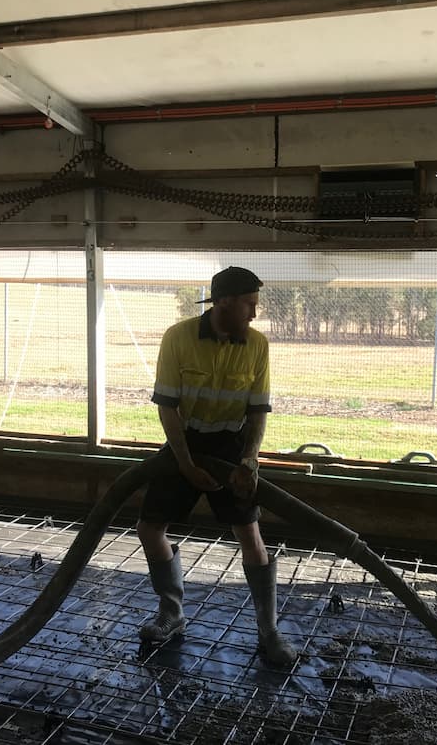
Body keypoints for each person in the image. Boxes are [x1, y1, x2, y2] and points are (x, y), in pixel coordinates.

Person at [136, 266, 298, 666]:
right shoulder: (179, 338)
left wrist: (248, 459)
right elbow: (168, 408)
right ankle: (171, 613)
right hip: (184, 442)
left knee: (250, 533)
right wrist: (186, 464)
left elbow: (258, 411)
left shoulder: (257, 345)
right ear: (224, 301)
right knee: (148, 527)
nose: (255, 314)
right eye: (249, 304)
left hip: (231, 446)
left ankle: (268, 631)